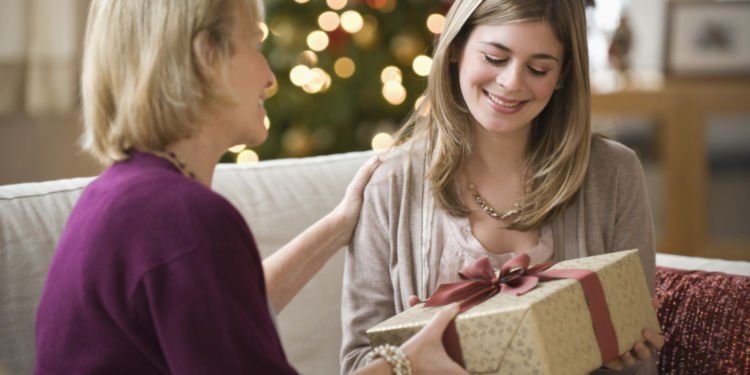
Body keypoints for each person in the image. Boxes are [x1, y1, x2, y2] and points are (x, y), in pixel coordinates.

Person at [34, 0, 464, 374]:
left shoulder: (120, 195)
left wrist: (340, 224)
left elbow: (220, 315)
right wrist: (404, 364)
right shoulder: (184, 219)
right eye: (255, 46)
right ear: (208, 56)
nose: (268, 78)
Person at [341, 0, 665, 374]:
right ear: (456, 49)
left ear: (563, 75)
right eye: (495, 58)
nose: (512, 82)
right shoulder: (392, 184)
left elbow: (640, 358)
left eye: (538, 68)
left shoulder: (614, 173)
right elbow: (356, 363)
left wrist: (616, 351)